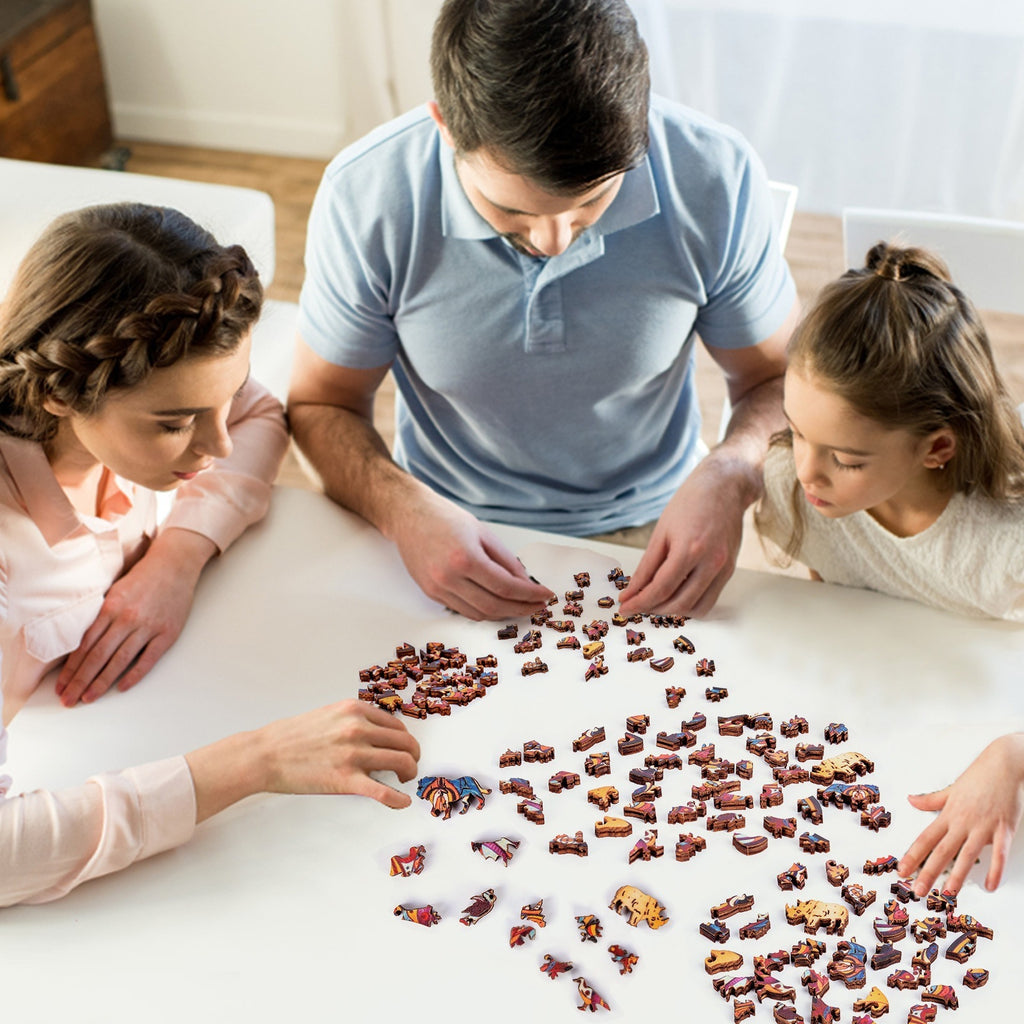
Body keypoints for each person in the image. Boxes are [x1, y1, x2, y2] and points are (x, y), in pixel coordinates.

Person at [288, 0, 800, 622]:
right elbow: (322, 405)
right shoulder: (367, 196)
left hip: (658, 525)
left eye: (591, 205)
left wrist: (732, 472)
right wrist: (402, 510)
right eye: (513, 212)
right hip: (442, 528)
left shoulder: (716, 176)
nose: (555, 242)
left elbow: (776, 381)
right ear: (446, 126)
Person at [0, 203, 420, 906]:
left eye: (220, 400)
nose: (218, 446)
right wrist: (255, 761)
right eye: (175, 424)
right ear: (59, 392)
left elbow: (260, 416)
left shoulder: (144, 390)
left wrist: (178, 556)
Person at [755, 241, 1024, 894]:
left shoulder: (1007, 548)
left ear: (936, 448)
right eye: (796, 430)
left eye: (846, 459)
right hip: (892, 718)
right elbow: (844, 600)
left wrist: (1014, 755)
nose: (807, 473)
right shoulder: (797, 485)